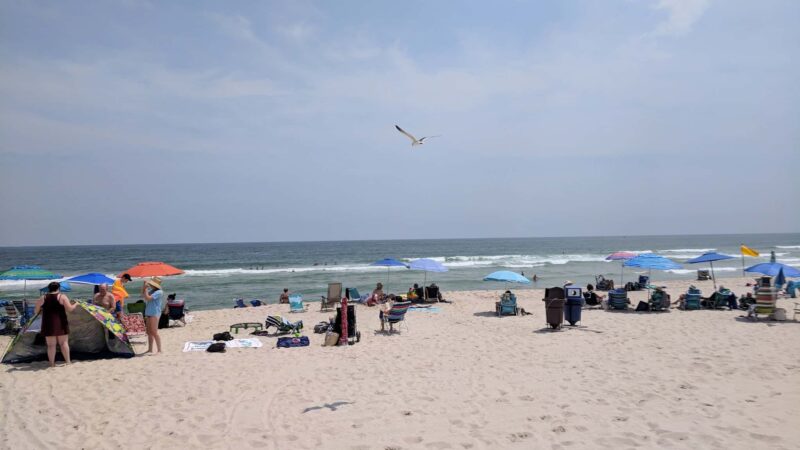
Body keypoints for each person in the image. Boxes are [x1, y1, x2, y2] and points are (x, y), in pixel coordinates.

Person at [35, 282, 78, 367]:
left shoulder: (43, 298)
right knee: (64, 343)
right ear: (58, 288)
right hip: (61, 322)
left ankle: (52, 364)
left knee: (51, 345)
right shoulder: (62, 297)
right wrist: (76, 304)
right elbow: (70, 309)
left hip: (48, 323)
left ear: (48, 288)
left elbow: (36, 311)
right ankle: (68, 362)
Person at [141, 277, 164, 354]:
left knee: (154, 332)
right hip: (149, 312)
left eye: (151, 284)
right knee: (149, 332)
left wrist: (146, 289)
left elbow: (148, 298)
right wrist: (144, 287)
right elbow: (143, 295)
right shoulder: (153, 291)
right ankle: (150, 349)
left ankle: (159, 350)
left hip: (155, 313)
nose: (150, 285)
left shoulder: (159, 292)